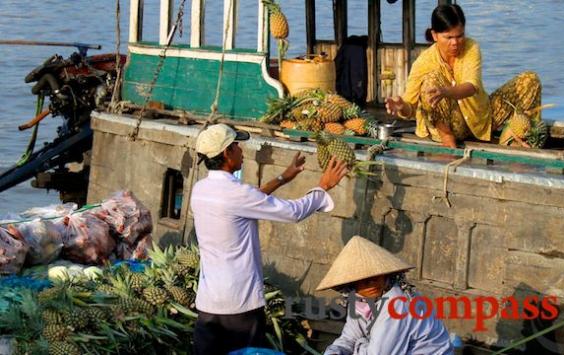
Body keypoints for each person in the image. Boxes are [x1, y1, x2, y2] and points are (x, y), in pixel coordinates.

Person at [191, 123, 348, 354]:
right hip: (239, 305)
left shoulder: (200, 190)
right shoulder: (237, 194)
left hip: (209, 304)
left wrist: (283, 177)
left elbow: (248, 201)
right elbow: (293, 212)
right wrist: (323, 186)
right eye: (237, 145)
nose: (242, 150)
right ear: (226, 153)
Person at [386, 4, 542, 148]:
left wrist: (446, 91)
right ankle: (448, 141)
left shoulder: (471, 47)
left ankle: (521, 138)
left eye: (459, 36)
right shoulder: (423, 62)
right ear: (435, 35)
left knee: (530, 80)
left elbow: (471, 87)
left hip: (479, 118)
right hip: (448, 127)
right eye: (448, 37)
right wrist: (401, 106)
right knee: (431, 81)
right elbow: (409, 108)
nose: (455, 43)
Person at [317, 236, 453, 355]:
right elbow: (349, 337)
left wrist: (361, 344)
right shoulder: (359, 301)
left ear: (386, 275)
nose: (371, 283)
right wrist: (335, 351)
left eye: (375, 276)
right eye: (362, 280)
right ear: (352, 284)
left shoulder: (397, 304)